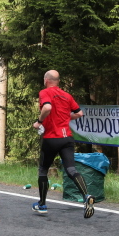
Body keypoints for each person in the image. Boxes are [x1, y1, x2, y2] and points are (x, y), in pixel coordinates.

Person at [32, 70, 95, 218]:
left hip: (51, 138)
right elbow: (79, 113)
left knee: (43, 170)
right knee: (71, 169)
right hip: (67, 138)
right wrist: (66, 117)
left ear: (46, 80)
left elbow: (47, 107)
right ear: (58, 81)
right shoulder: (67, 95)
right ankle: (86, 196)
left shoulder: (45, 92)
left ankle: (42, 204)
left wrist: (39, 122)